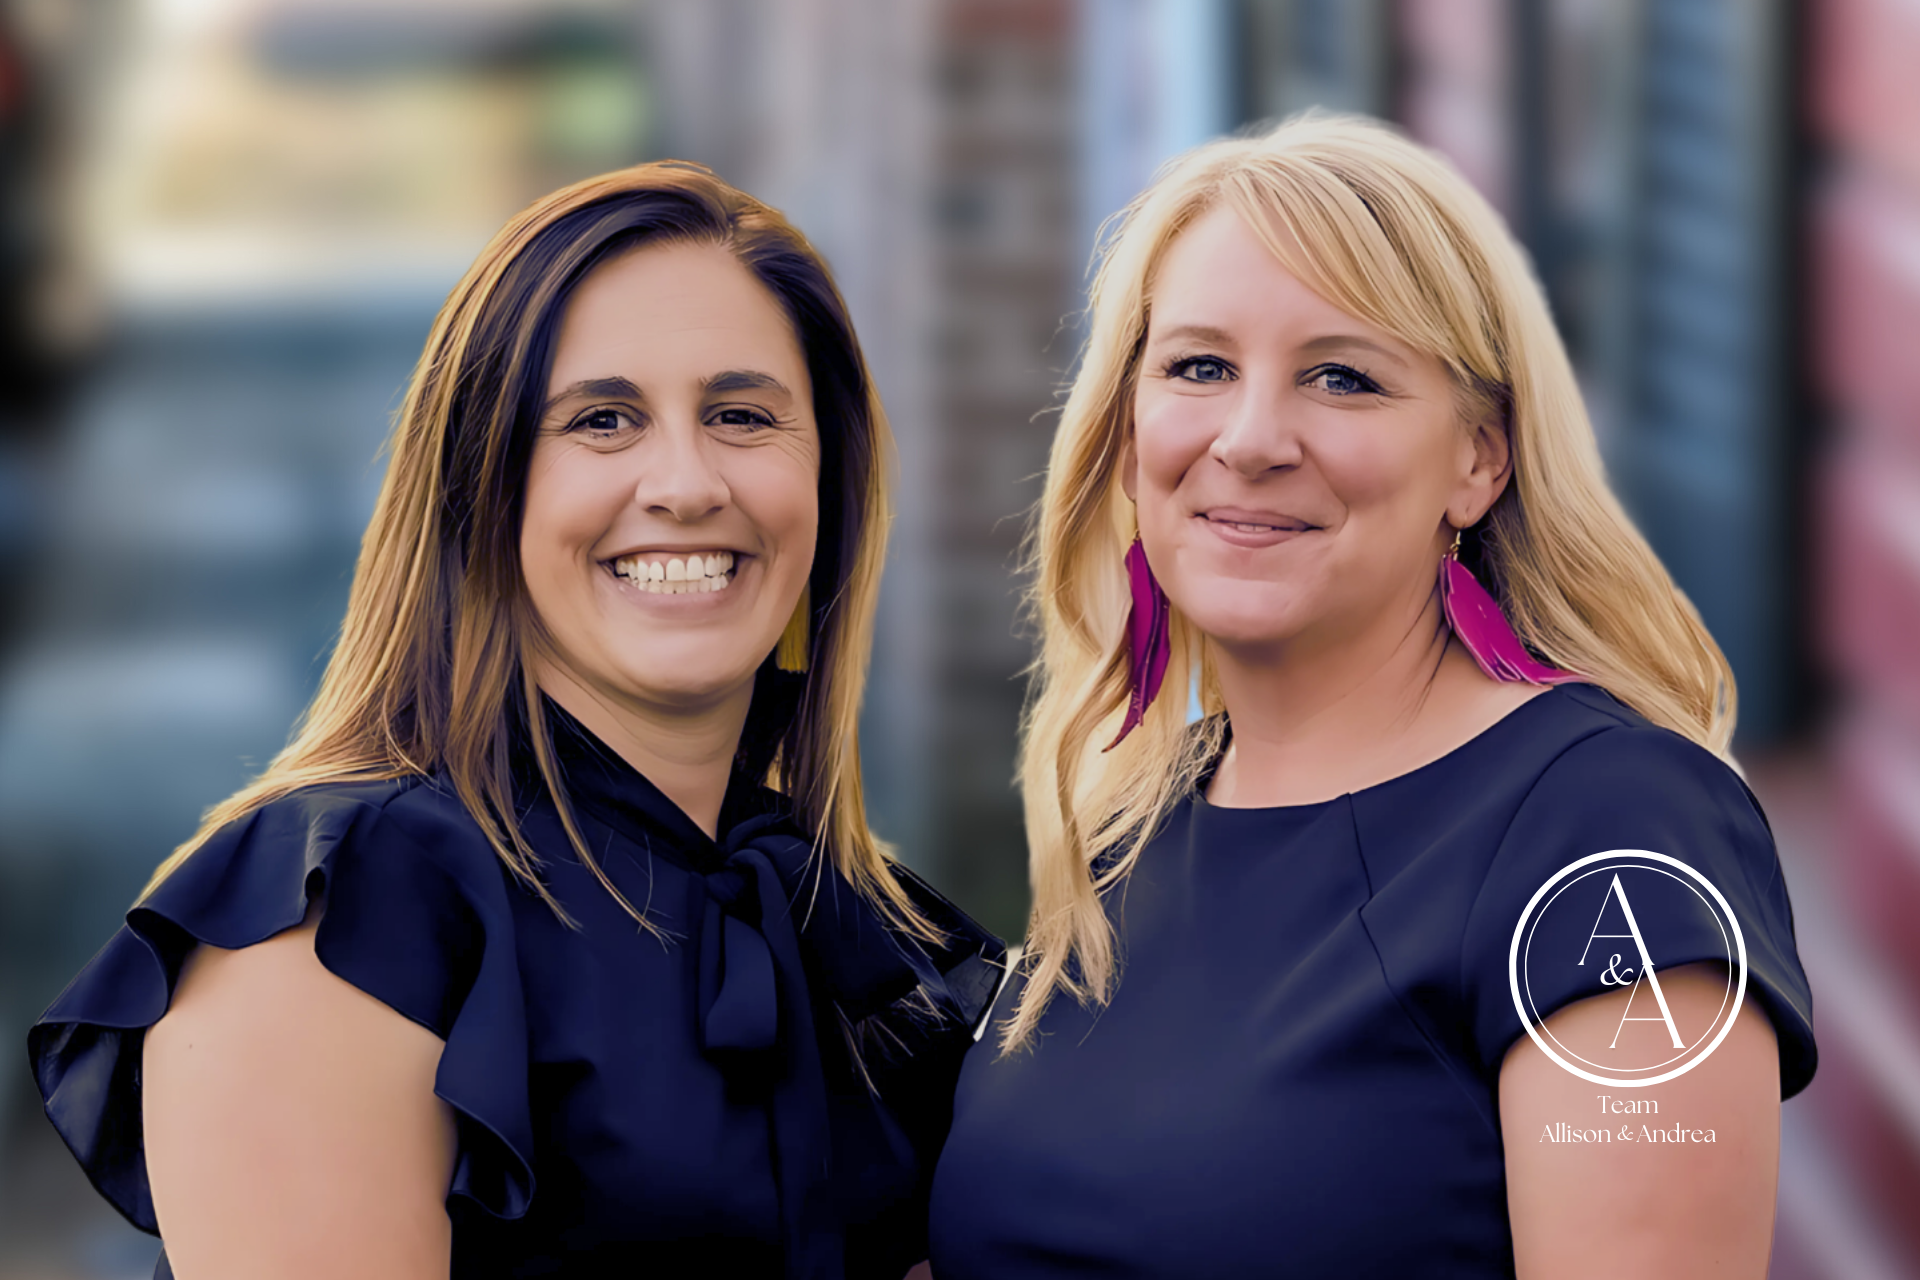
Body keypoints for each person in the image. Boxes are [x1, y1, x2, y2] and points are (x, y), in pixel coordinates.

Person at [30, 163, 1003, 1280]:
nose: (686, 482)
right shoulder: (334, 909)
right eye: (602, 419)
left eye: (741, 414)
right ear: (482, 489)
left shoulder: (865, 929)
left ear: (828, 485)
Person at [929, 114, 1815, 1277]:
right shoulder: (1132, 823)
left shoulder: (1612, 834)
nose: (1249, 439)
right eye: (1199, 366)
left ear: (1478, 460)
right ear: (1129, 419)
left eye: (1342, 376)